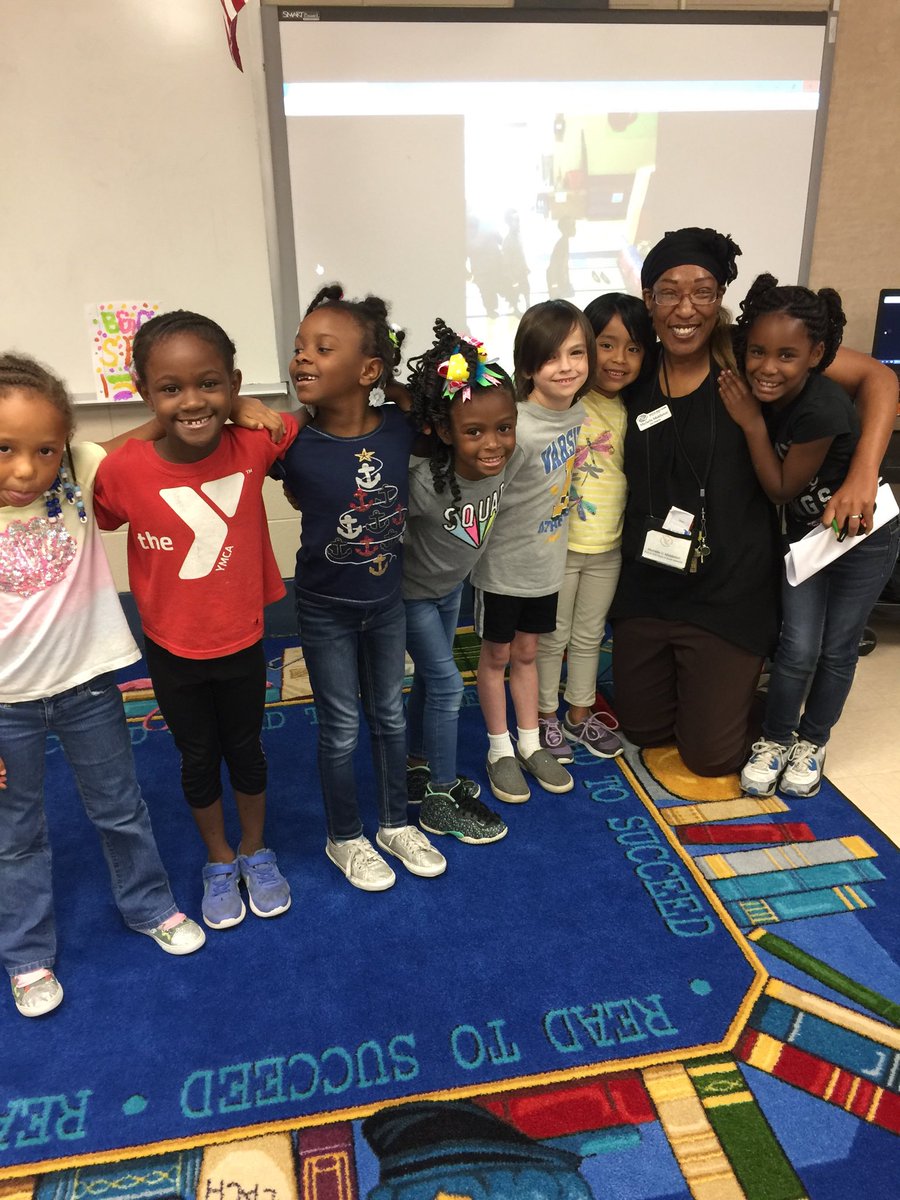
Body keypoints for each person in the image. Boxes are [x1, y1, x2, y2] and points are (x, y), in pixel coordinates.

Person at [610, 226, 899, 777]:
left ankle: (776, 702)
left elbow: (879, 377)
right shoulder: (636, 363)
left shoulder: (748, 357)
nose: (685, 308)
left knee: (710, 758)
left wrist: (863, 474)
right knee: (643, 728)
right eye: (668, 292)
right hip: (649, 581)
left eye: (702, 290)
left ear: (721, 298)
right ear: (648, 299)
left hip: (728, 590)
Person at [0, 354, 205, 1018]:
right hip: (6, 709)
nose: (27, 469)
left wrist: (220, 407)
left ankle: (148, 904)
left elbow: (136, 438)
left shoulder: (77, 469)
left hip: (86, 684)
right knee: (16, 832)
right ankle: (27, 954)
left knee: (119, 807)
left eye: (43, 449)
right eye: (4, 449)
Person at [93, 311, 299, 931]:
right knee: (197, 756)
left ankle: (255, 851)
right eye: (170, 389)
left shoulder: (254, 442)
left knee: (247, 749)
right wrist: (162, 420)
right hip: (170, 646)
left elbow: (293, 421)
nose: (192, 402)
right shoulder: (125, 469)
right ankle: (217, 857)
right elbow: (83, 464)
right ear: (145, 392)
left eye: (210, 384)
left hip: (241, 640)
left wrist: (248, 408)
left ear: (233, 382)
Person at [278, 286, 446, 891]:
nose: (302, 358)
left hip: (386, 603)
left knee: (391, 718)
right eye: (299, 347)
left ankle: (395, 824)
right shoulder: (291, 440)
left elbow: (449, 412)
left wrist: (401, 390)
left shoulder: (402, 428)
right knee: (341, 726)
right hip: (323, 608)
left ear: (368, 369)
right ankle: (344, 836)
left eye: (323, 348)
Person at [719, 276, 900, 797]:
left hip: (862, 538)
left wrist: (752, 424)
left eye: (787, 356)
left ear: (815, 354)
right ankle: (775, 739)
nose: (767, 367)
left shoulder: (821, 405)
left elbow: (780, 488)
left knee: (839, 648)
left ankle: (812, 741)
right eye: (757, 352)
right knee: (797, 648)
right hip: (809, 539)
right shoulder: (763, 371)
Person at [471, 299, 596, 804]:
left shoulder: (581, 412)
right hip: (502, 568)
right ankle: (499, 748)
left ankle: (528, 742)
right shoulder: (515, 425)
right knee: (496, 655)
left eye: (576, 353)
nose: (566, 367)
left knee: (530, 653)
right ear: (527, 367)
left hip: (547, 565)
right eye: (551, 357)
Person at [404, 320, 519, 845]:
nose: (493, 443)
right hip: (410, 597)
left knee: (432, 681)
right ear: (446, 432)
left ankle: (418, 766)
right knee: (450, 683)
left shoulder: (500, 463)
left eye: (504, 427)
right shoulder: (424, 482)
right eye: (474, 432)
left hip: (450, 588)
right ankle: (441, 801)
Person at [536, 293, 655, 763]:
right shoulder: (565, 399)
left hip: (607, 548)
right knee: (553, 635)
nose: (619, 359)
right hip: (559, 547)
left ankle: (579, 714)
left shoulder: (630, 409)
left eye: (633, 348)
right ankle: (544, 715)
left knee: (589, 636)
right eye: (606, 345)